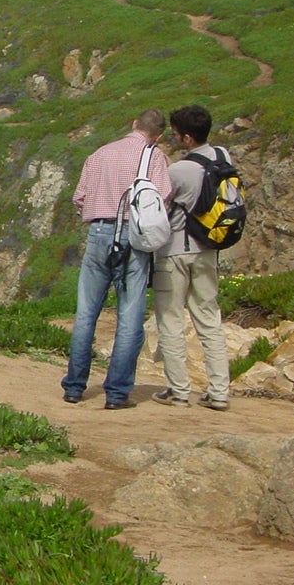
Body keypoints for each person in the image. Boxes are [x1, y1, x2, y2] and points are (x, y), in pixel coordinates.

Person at [61, 109, 172, 409]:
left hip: (99, 232)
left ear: (133, 125)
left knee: (86, 313)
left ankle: (74, 386)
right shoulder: (155, 157)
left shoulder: (100, 154)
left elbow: (79, 197)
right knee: (130, 315)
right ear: (158, 135)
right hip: (135, 238)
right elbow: (163, 197)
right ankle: (117, 393)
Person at [151, 105, 232, 411]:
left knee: (171, 318)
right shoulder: (223, 158)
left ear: (186, 138)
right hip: (208, 249)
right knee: (209, 319)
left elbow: (160, 206)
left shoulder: (177, 171)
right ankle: (219, 391)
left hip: (174, 251)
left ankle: (179, 390)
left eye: (175, 135)